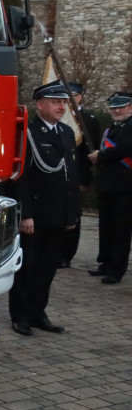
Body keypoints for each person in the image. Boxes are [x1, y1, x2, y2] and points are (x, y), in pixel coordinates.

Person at [7, 82, 80, 336]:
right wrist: (25, 213)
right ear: (40, 105)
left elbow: (71, 177)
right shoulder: (28, 133)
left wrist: (71, 215)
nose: (62, 107)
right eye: (55, 102)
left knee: (47, 269)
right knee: (27, 268)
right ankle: (20, 316)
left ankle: (38, 312)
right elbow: (21, 176)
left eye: (63, 102)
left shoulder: (67, 133)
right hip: (36, 216)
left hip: (58, 215)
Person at [88, 91, 132, 285]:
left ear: (130, 107)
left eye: (121, 106)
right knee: (106, 227)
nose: (117, 110)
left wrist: (101, 157)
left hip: (125, 187)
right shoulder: (112, 128)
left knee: (121, 230)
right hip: (108, 185)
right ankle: (105, 263)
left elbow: (125, 148)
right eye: (114, 107)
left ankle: (117, 269)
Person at [59, 83, 102, 268]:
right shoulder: (59, 117)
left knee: (73, 215)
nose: (69, 99)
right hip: (58, 175)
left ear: (80, 97)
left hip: (76, 175)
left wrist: (85, 179)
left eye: (73, 95)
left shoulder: (89, 120)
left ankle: (67, 255)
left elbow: (90, 153)